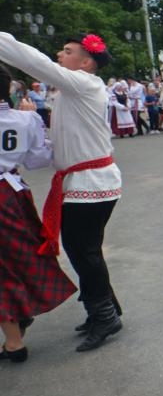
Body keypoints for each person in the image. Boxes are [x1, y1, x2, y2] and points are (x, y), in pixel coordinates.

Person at [0, 33, 124, 352]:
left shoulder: (84, 83)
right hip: (83, 180)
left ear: (86, 63)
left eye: (67, 52)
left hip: (91, 182)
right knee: (84, 249)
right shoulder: (73, 90)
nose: (59, 54)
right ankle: (104, 309)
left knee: (84, 250)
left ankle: (105, 315)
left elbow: (34, 61)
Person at [0, 65, 77, 363]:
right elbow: (37, 159)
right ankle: (17, 323)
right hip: (13, 192)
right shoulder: (25, 118)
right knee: (19, 257)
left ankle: (14, 340)